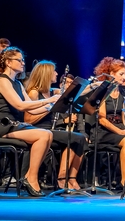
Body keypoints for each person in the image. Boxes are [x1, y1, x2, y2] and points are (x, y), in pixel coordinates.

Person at [0, 47, 58, 196]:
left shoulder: (17, 83)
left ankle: (29, 176)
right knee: (43, 135)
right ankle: (31, 178)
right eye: (19, 60)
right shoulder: (2, 81)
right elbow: (20, 105)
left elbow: (31, 109)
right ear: (9, 62)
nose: (23, 63)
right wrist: (48, 100)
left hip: (11, 125)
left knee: (48, 134)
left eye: (23, 60)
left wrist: (53, 106)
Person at [24, 61, 87, 190]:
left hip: (51, 130)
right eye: (54, 71)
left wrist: (94, 86)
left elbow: (73, 92)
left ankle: (71, 178)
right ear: (46, 74)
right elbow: (28, 119)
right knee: (75, 138)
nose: (57, 73)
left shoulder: (52, 92)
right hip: (39, 130)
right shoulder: (34, 93)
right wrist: (49, 107)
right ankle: (62, 179)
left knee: (78, 138)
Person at [93, 57, 125, 191]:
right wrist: (121, 132)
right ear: (111, 74)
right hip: (104, 132)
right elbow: (102, 119)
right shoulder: (103, 92)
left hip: (118, 130)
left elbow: (123, 116)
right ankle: (124, 180)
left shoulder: (121, 93)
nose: (124, 77)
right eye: (121, 74)